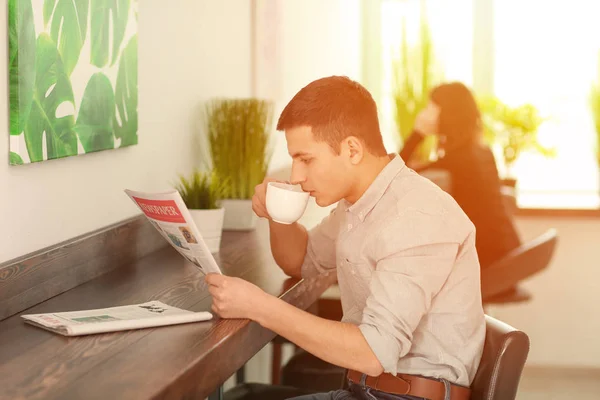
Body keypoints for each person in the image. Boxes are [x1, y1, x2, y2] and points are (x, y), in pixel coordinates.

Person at [205, 76, 485, 400]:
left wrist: (259, 306)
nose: (296, 176)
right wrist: (277, 213)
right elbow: (301, 261)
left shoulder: (415, 216)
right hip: (367, 390)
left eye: (306, 159)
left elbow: (373, 353)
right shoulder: (360, 203)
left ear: (351, 149)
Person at [400, 82, 521, 269]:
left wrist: (418, 133)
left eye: (430, 106)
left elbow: (395, 173)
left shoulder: (459, 159)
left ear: (445, 113)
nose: (425, 112)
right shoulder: (480, 151)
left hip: (484, 261)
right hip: (505, 252)